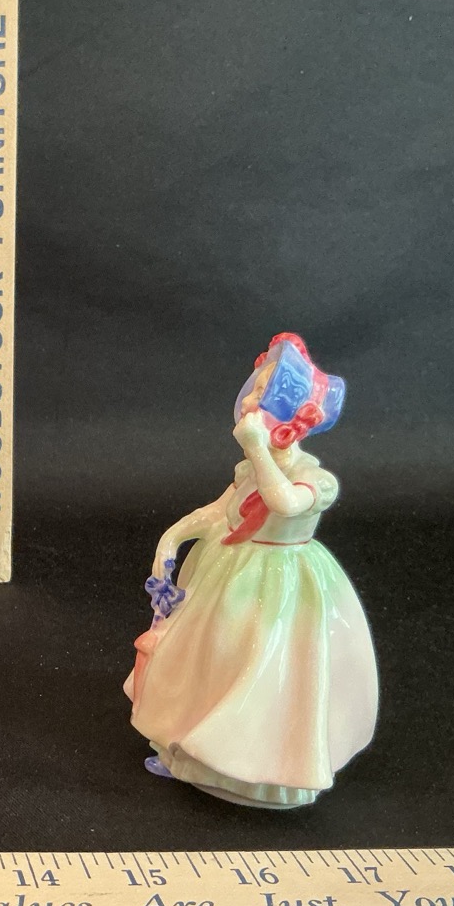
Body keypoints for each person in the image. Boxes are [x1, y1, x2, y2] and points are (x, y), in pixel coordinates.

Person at [125, 333, 378, 807]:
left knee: (264, 671)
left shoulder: (315, 480)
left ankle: (260, 774)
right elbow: (218, 514)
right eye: (254, 388)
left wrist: (259, 448)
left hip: (281, 582)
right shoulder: (248, 471)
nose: (251, 401)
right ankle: (189, 753)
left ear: (295, 415)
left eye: (264, 393)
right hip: (230, 571)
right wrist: (172, 539)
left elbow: (284, 503)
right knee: (209, 661)